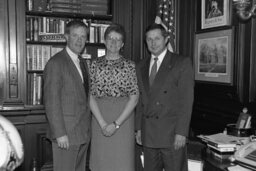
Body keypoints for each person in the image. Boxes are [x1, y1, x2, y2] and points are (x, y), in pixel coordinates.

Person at [135, 23, 194, 171]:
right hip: (148, 134)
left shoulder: (181, 63)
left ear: (166, 39)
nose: (153, 43)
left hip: (172, 135)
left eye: (157, 38)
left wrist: (181, 132)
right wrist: (138, 129)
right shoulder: (140, 66)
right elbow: (140, 100)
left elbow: (186, 101)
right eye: (149, 39)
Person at [89, 23, 139, 171]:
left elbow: (134, 98)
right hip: (99, 119)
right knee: (101, 162)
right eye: (110, 38)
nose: (114, 42)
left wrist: (116, 124)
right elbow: (90, 96)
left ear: (122, 44)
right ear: (104, 41)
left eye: (118, 40)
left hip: (123, 121)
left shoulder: (130, 66)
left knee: (121, 162)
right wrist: (103, 123)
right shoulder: (94, 65)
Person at [44, 20, 91, 171]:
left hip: (82, 133)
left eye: (83, 36)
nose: (79, 40)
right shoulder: (56, 63)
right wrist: (60, 134)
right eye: (75, 35)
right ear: (66, 36)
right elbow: (51, 101)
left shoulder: (82, 62)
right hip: (66, 135)